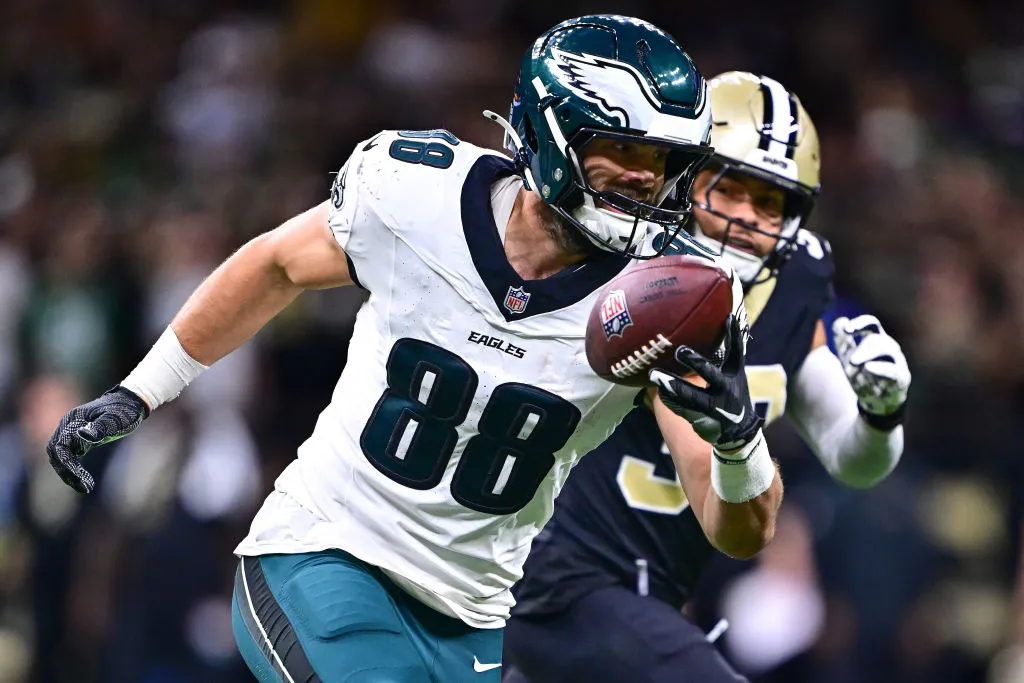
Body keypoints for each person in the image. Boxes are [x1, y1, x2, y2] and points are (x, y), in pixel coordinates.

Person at [43, 18, 786, 683]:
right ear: (557, 136)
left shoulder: (666, 298)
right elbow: (275, 264)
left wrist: (738, 436)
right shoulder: (415, 194)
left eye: (662, 161)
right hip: (326, 554)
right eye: (623, 148)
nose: (646, 177)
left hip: (472, 618)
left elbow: (738, 529)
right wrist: (142, 389)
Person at [502, 71, 913, 683]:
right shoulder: (640, 264)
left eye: (770, 202)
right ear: (685, 178)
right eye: (730, 189)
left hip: (651, 592)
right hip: (560, 571)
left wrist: (883, 411)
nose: (747, 218)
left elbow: (855, 461)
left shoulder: (795, 288)